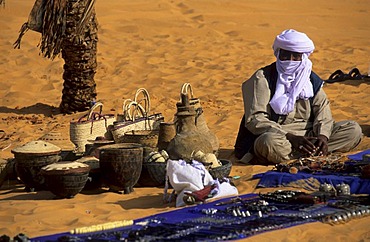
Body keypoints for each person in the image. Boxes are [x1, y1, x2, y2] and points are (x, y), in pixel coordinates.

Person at [234, 29, 363, 165]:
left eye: (295, 57)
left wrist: (322, 137)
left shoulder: (310, 79)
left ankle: (308, 153)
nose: (290, 61)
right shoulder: (262, 79)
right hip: (279, 135)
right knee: (268, 142)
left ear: (303, 57)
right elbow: (255, 119)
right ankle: (309, 156)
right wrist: (290, 137)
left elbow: (323, 111)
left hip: (309, 134)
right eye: (285, 56)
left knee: (353, 130)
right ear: (278, 54)